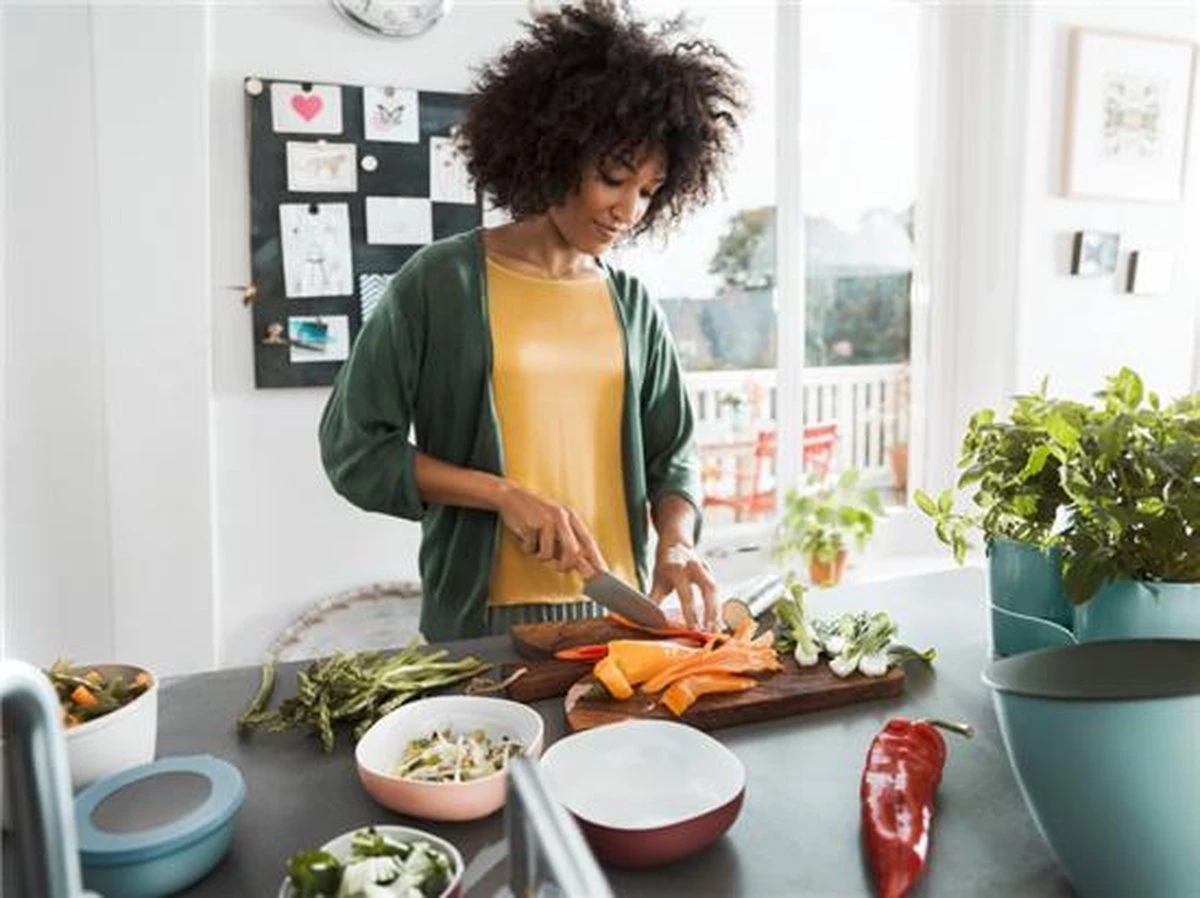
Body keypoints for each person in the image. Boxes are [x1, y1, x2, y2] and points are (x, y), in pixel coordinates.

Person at [319, 0, 747, 641]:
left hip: (620, 616)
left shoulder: (631, 305)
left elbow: (672, 456)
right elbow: (355, 449)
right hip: (481, 623)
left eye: (650, 190)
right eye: (613, 178)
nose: (629, 209)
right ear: (556, 151)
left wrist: (678, 541)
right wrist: (502, 495)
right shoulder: (442, 283)